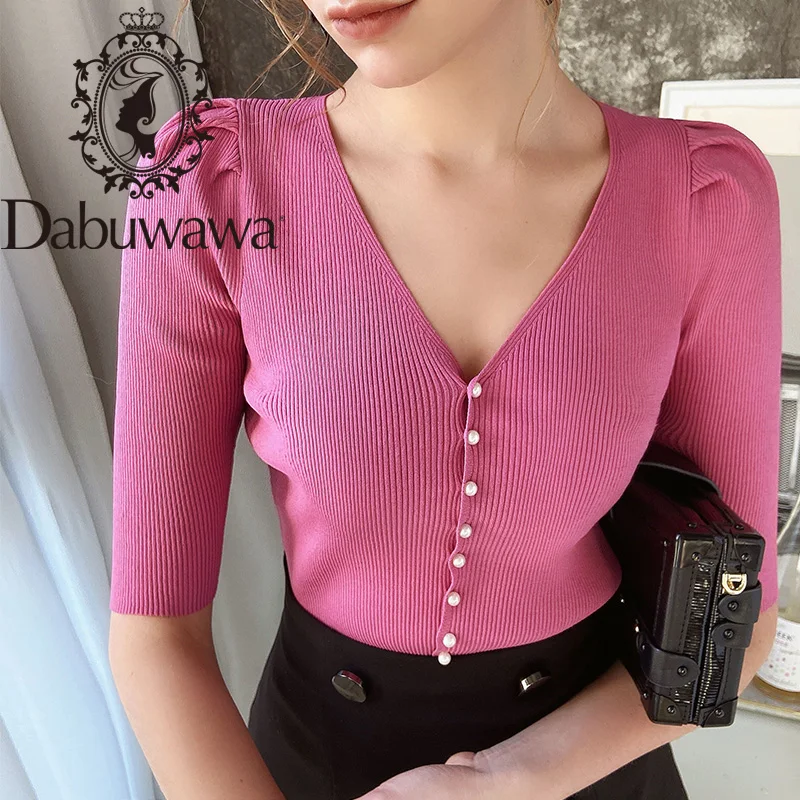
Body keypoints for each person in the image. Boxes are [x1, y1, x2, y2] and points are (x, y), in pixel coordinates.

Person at [107, 1, 783, 799]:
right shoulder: (209, 182)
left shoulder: (706, 196)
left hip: (592, 760)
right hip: (305, 763)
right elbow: (154, 633)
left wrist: (508, 781)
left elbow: (737, 625)